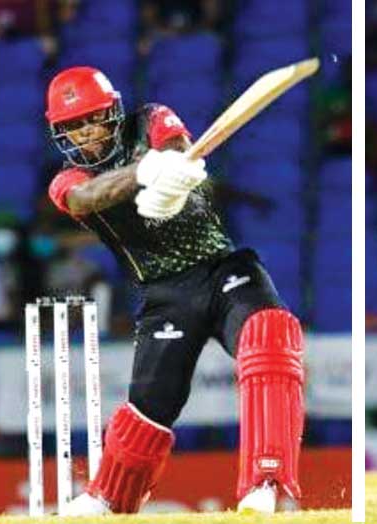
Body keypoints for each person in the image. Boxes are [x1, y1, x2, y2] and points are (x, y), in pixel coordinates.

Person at [43, 66, 305, 515]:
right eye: (75, 126)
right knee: (147, 409)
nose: (87, 132)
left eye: (94, 118)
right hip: (165, 296)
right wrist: (144, 173)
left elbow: (180, 148)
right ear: (61, 133)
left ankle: (268, 482)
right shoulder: (65, 182)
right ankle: (108, 498)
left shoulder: (149, 119)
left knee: (270, 333)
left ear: (114, 111)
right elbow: (87, 199)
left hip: (223, 269)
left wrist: (174, 172)